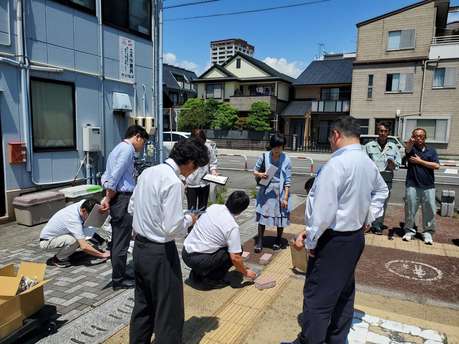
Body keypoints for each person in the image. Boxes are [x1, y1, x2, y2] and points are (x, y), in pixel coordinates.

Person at [281, 117, 388, 344]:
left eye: (330, 137)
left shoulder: (336, 165)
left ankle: (310, 341)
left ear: (336, 135)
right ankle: (336, 338)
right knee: (344, 292)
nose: (330, 142)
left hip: (332, 241)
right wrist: (368, 218)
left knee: (317, 298)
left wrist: (310, 243)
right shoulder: (367, 162)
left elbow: (323, 212)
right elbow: (382, 190)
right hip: (354, 238)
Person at [128, 138, 209, 344]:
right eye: (196, 167)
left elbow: (132, 207)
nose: (193, 172)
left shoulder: (148, 172)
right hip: (160, 253)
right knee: (168, 309)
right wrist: (190, 218)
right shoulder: (173, 182)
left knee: (143, 305)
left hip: (140, 248)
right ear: (190, 162)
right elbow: (173, 228)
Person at [100, 125, 149, 290]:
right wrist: (108, 196)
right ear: (138, 137)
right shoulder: (128, 150)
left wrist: (107, 191)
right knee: (122, 241)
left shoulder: (116, 149)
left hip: (117, 198)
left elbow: (107, 175)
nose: (142, 147)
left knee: (117, 239)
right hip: (122, 199)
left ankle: (119, 274)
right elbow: (116, 175)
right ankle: (119, 280)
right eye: (143, 142)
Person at [182, 191, 257, 290]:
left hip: (185, 253)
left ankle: (197, 274)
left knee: (223, 247)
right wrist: (246, 272)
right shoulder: (232, 226)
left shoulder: (213, 207)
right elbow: (235, 258)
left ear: (228, 200)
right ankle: (213, 280)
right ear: (241, 211)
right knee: (237, 250)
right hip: (199, 260)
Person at [39, 199, 110, 268]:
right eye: (90, 215)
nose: (93, 218)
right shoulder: (73, 219)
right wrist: (102, 255)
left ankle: (72, 248)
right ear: (83, 210)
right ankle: (57, 259)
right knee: (75, 241)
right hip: (47, 241)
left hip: (62, 233)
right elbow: (84, 246)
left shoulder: (84, 204)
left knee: (86, 228)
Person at [253, 133, 292, 253]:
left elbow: (288, 181)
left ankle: (278, 240)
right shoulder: (264, 156)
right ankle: (259, 241)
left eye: (280, 147)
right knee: (262, 215)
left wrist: (285, 198)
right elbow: (254, 171)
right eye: (275, 147)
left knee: (280, 215)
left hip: (280, 192)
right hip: (266, 189)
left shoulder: (286, 159)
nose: (277, 149)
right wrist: (260, 174)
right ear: (271, 146)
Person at [402, 128, 440, 245]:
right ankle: (409, 230)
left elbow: (436, 165)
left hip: (428, 186)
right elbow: (407, 149)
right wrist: (410, 142)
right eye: (416, 136)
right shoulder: (411, 149)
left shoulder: (431, 151)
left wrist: (420, 161)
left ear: (425, 137)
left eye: (421, 136)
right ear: (413, 137)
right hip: (412, 184)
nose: (419, 138)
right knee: (410, 209)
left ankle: (428, 232)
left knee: (429, 210)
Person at [364, 122, 402, 234]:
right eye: (381, 131)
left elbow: (398, 165)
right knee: (367, 201)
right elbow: (363, 162)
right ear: (377, 132)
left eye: (385, 131)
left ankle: (377, 225)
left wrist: (392, 164)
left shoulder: (393, 147)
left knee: (382, 203)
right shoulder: (369, 146)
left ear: (388, 133)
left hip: (386, 179)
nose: (383, 133)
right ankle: (366, 223)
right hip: (371, 179)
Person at [186, 129, 218, 212]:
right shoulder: (188, 149)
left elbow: (213, 162)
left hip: (205, 182)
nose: (201, 145)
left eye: (202, 142)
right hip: (191, 183)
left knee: (203, 208)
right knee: (191, 208)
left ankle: (201, 224)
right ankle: (191, 225)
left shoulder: (208, 147)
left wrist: (213, 171)